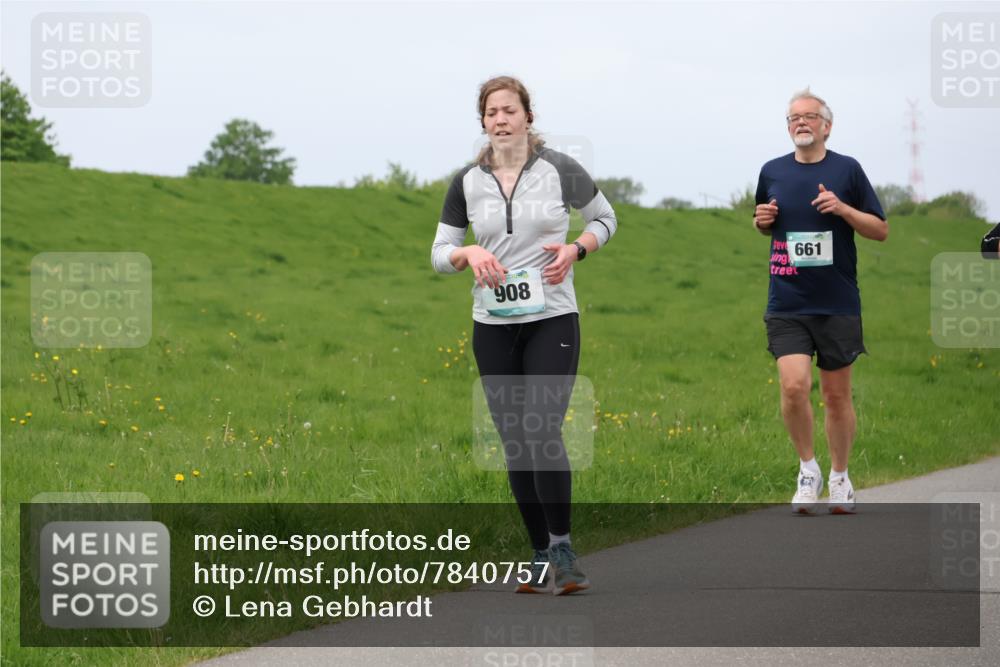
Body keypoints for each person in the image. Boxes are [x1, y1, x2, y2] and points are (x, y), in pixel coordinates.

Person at [431, 76, 617, 594]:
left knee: (541, 429)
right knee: (515, 442)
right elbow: (439, 253)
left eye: (509, 110)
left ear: (527, 117)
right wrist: (467, 253)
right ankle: (538, 553)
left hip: (552, 318)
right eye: (491, 112)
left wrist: (576, 249)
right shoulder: (466, 182)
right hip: (492, 326)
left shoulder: (560, 169)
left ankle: (564, 546)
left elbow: (605, 219)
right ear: (483, 121)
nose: (501, 119)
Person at [753, 89, 888, 515]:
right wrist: (762, 221)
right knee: (794, 387)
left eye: (810, 116)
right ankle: (808, 469)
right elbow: (764, 222)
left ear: (827, 125)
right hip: (787, 300)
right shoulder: (772, 171)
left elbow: (880, 230)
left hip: (837, 302)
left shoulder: (847, 170)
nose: (801, 123)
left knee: (835, 396)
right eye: (794, 118)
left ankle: (841, 477)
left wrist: (843, 209)